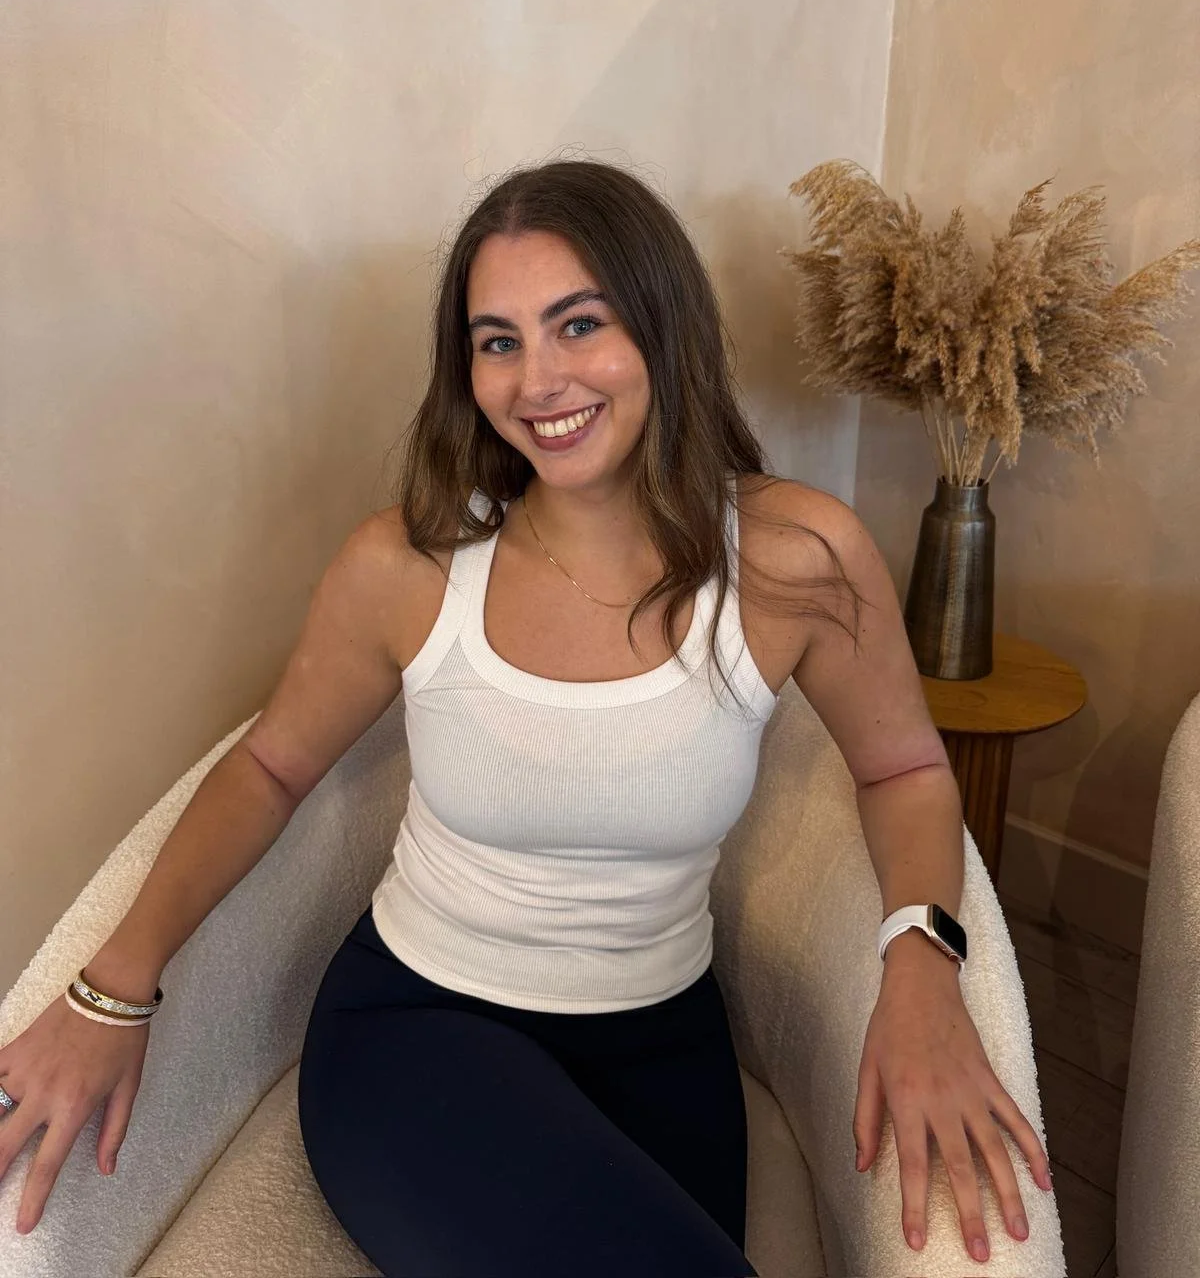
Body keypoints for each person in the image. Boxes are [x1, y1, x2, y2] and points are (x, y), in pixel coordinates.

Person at [0, 159, 1052, 1273]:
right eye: (497, 341)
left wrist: (922, 965)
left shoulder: (797, 558)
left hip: (664, 1043)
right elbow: (269, 766)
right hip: (417, 1030)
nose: (538, 380)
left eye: (578, 324)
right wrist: (110, 991)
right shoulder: (409, 564)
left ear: (663, 327)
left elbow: (903, 770)